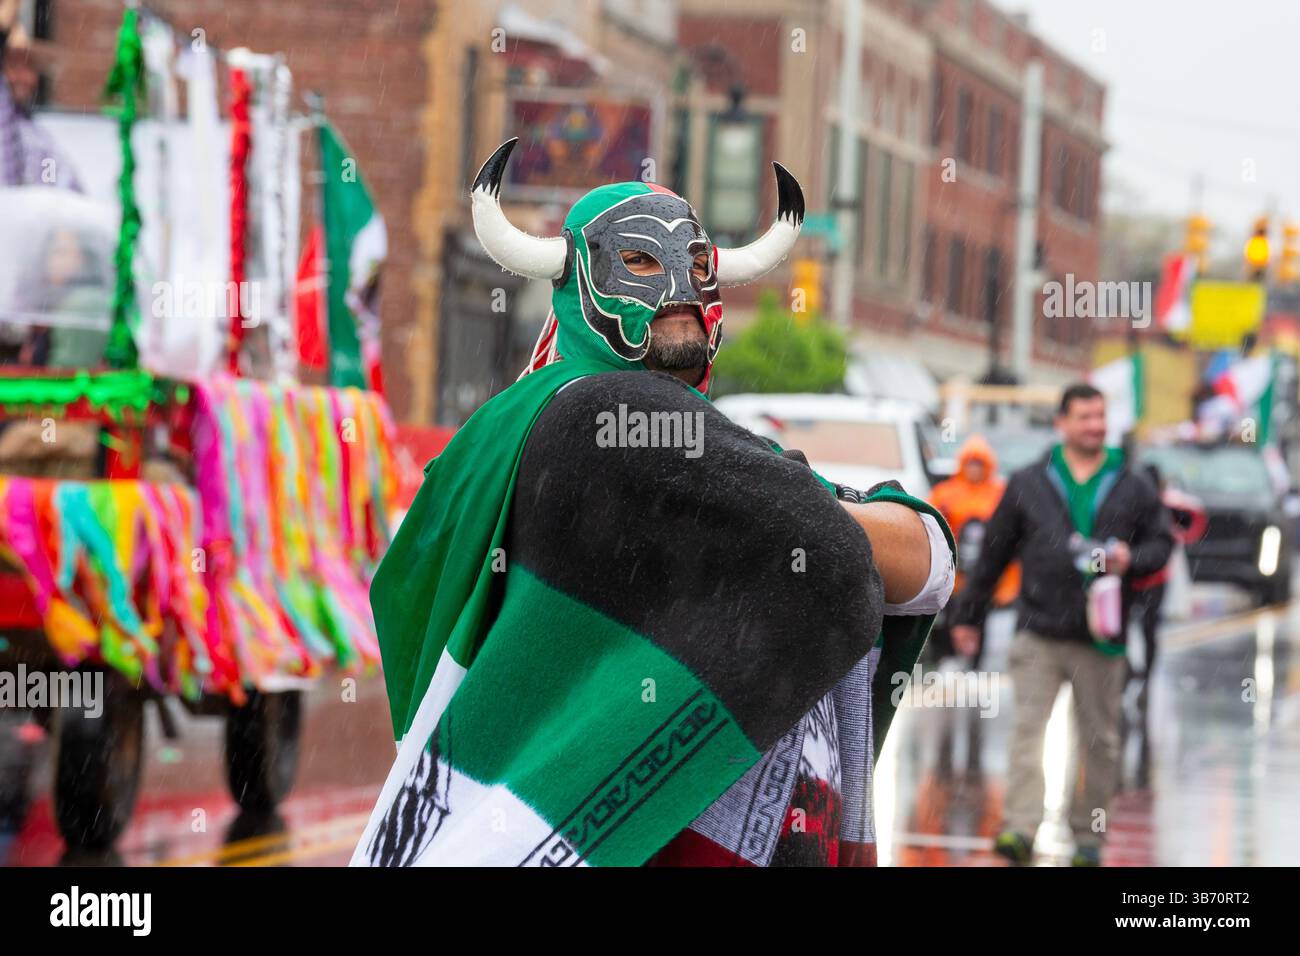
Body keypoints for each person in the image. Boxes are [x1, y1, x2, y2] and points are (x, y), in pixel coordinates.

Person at [350, 139, 955, 867]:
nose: (678, 286)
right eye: (638, 260)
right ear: (577, 279)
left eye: (697, 265)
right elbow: (899, 556)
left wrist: (800, 502)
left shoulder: (506, 421)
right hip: (622, 826)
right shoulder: (603, 413)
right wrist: (843, 511)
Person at [951, 384, 1172, 866]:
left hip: (1101, 637)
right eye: (1085, 417)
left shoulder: (1132, 484)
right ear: (1062, 423)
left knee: (1100, 742)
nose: (1095, 425)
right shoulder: (1030, 481)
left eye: (1100, 416)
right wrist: (967, 615)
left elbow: (1163, 544)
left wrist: (1129, 557)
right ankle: (1019, 829)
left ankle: (1087, 838)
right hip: (1038, 630)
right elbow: (994, 552)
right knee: (1027, 732)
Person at [928, 433, 1019, 662]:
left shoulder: (999, 492)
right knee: (950, 617)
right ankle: (947, 660)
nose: (974, 469)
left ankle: (976, 665)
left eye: (979, 463)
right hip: (954, 572)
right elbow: (929, 523)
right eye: (970, 463)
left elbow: (1013, 532)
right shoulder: (946, 492)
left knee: (979, 616)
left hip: (985, 571)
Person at [0, 0, 81, 191]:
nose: (23, 77)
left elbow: (58, 179)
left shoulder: (37, 137)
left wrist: (51, 196)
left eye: (30, 67)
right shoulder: (5, 117)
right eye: (15, 66)